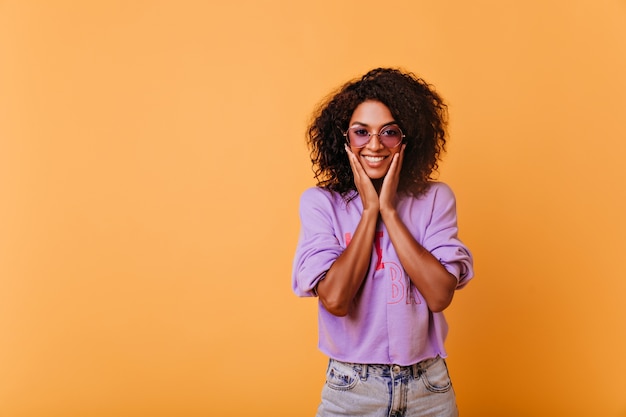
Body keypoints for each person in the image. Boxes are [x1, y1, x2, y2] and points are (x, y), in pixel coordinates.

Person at [291, 68, 474, 417]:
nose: (374, 144)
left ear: (408, 138)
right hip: (352, 390)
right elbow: (335, 299)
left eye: (389, 132)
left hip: (429, 389)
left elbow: (439, 295)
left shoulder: (435, 198)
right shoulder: (321, 203)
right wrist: (369, 210)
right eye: (361, 132)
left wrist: (388, 210)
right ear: (343, 139)